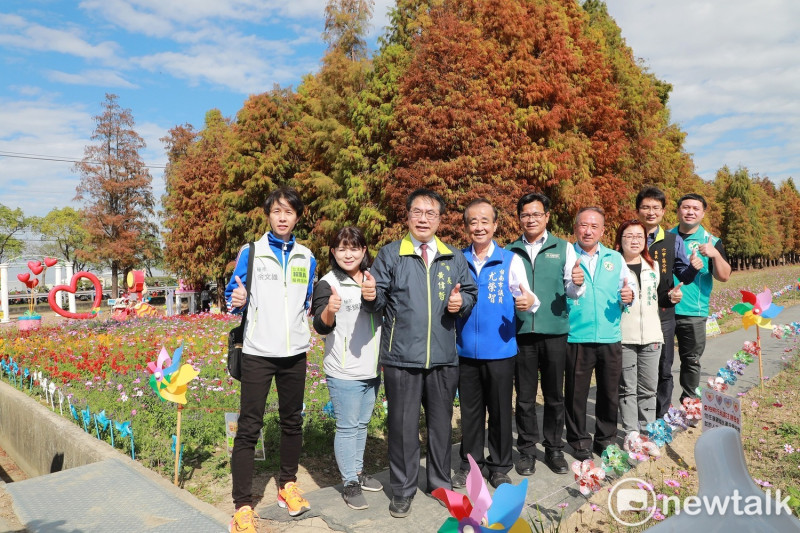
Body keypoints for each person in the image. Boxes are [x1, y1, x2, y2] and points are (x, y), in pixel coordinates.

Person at [361, 188, 477, 518]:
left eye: (430, 213)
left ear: (440, 219)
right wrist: (370, 294)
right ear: (408, 216)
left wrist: (461, 303)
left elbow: (469, 292)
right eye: (417, 212)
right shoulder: (391, 254)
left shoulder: (453, 256)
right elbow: (377, 299)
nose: (423, 218)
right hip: (401, 358)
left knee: (441, 426)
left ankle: (440, 483)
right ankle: (402, 489)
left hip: (443, 357)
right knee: (402, 427)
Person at [225, 186, 316, 533]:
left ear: (297, 217)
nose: (282, 217)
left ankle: (287, 487)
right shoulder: (251, 252)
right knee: (249, 427)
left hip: (294, 354)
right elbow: (232, 298)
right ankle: (243, 506)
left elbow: (306, 301)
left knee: (293, 421)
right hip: (258, 353)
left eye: (289, 212)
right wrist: (238, 297)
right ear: (268, 214)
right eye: (277, 211)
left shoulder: (307, 257)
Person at [453, 199, 540, 490]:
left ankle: (500, 465)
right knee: (471, 412)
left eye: (484, 221)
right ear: (466, 226)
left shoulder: (509, 260)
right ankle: (470, 464)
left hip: (501, 351)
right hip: (465, 352)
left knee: (501, 411)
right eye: (473, 222)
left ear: (495, 225)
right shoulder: (457, 259)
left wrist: (527, 303)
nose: (479, 227)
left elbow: (529, 298)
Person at [506, 192, 584, 474]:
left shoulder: (563, 248)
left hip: (554, 332)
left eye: (536, 214)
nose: (531, 219)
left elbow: (573, 290)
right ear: (519, 218)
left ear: (547, 217)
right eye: (525, 214)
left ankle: (553, 449)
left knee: (554, 396)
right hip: (523, 332)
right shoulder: (509, 251)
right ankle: (526, 451)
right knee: (525, 397)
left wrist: (577, 282)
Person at [311, 227, 383, 510]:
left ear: (364, 251)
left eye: (354, 248)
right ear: (333, 252)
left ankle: (358, 472)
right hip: (343, 370)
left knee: (362, 425)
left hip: (372, 368)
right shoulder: (328, 283)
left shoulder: (372, 278)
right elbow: (320, 325)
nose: (348, 253)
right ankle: (349, 482)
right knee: (347, 426)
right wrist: (330, 308)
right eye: (342, 248)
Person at [565, 207, 636, 460]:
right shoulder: (566, 254)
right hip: (577, 335)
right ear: (575, 228)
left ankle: (605, 439)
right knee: (576, 393)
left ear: (603, 231)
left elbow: (627, 290)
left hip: (609, 335)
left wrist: (629, 298)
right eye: (583, 225)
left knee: (609, 392)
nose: (588, 230)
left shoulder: (615, 258)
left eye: (594, 226)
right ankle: (579, 440)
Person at [635, 186, 701, 418]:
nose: (650, 212)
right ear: (638, 210)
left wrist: (692, 268)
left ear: (663, 212)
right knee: (633, 370)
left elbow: (682, 276)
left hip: (663, 315)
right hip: (631, 315)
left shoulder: (673, 241)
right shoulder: (629, 236)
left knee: (664, 368)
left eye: (655, 208)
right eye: (645, 207)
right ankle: (636, 419)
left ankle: (660, 418)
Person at [614, 220, 681, 433]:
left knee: (649, 388)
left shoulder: (652, 266)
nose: (634, 241)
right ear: (620, 239)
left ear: (645, 241)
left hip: (652, 335)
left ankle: (648, 430)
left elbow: (660, 298)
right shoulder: (614, 267)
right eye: (629, 236)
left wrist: (671, 297)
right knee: (627, 389)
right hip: (624, 337)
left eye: (639, 237)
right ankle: (631, 433)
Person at [670, 193, 731, 401]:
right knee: (661, 362)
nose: (690, 212)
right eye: (686, 207)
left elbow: (724, 276)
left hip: (693, 312)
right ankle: (659, 409)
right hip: (664, 310)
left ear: (703, 213)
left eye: (696, 208)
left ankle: (689, 405)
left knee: (691, 361)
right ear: (678, 210)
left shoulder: (711, 241)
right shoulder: (665, 237)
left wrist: (714, 254)